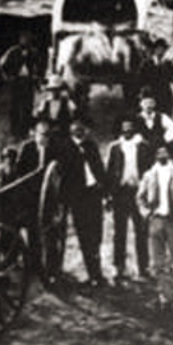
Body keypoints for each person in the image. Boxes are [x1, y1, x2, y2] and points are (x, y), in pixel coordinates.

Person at [136, 144, 173, 316]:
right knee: (159, 264)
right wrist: (147, 213)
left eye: (164, 151)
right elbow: (140, 197)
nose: (161, 154)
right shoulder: (149, 175)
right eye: (158, 152)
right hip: (156, 222)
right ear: (154, 155)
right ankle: (166, 299)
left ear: (169, 154)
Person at [57, 120, 108, 288]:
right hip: (78, 197)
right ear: (71, 131)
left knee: (97, 233)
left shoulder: (91, 145)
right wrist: (65, 200)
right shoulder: (64, 148)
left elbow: (99, 168)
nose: (80, 131)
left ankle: (98, 273)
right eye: (76, 129)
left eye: (82, 129)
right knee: (85, 235)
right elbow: (62, 176)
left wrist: (105, 193)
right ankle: (93, 275)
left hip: (94, 193)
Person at [105, 118, 151, 284]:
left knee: (141, 230)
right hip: (121, 193)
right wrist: (109, 195)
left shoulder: (144, 147)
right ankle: (119, 268)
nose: (127, 132)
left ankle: (144, 267)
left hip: (138, 193)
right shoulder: (115, 148)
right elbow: (109, 172)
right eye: (124, 129)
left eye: (130, 129)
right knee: (120, 232)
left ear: (135, 130)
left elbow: (150, 171)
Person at [0, 32, 42, 140]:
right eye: (23, 39)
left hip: (28, 82)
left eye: (28, 39)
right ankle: (14, 131)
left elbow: (39, 67)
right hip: (16, 82)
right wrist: (8, 76)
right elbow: (2, 63)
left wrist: (36, 79)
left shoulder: (34, 52)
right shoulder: (13, 51)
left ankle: (25, 131)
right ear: (20, 40)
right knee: (15, 107)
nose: (25, 41)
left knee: (28, 107)